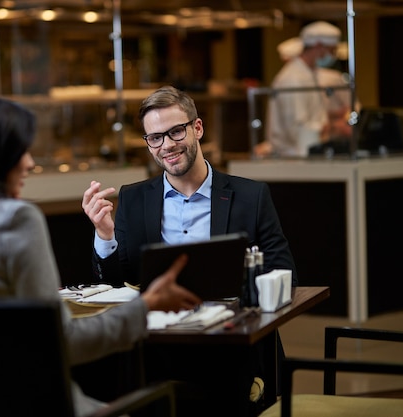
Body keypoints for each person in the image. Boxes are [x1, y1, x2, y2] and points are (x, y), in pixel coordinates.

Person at [0, 92, 202, 417]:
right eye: (21, 150)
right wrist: (147, 305)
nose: (30, 162)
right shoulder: (15, 219)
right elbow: (63, 342)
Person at [81, 85, 296, 415]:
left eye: (175, 131)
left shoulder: (250, 196)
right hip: (158, 348)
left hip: (229, 345)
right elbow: (116, 284)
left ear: (197, 128)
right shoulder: (134, 199)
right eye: (155, 137)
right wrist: (105, 235)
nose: (166, 145)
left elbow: (285, 272)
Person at [255, 21, 344, 158]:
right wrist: (331, 128)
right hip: (292, 157)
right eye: (332, 50)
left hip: (307, 152)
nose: (333, 56)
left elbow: (313, 115)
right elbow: (297, 128)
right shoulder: (293, 78)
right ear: (319, 46)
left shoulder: (309, 74)